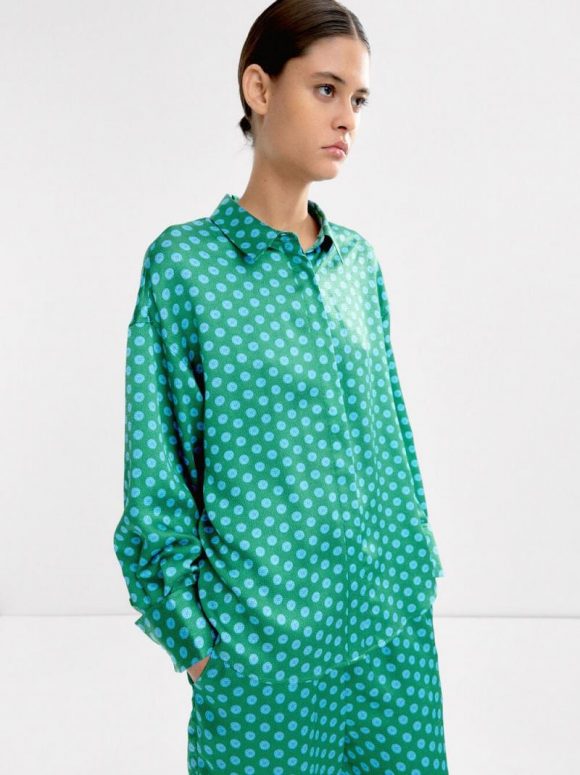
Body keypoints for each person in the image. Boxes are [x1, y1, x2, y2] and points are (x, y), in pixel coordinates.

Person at [112, 0, 449, 772]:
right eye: (326, 89)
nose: (347, 118)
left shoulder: (357, 263)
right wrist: (197, 643)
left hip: (392, 639)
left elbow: (393, 434)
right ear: (259, 88)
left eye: (358, 98)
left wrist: (417, 569)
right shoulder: (188, 266)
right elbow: (158, 469)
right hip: (265, 657)